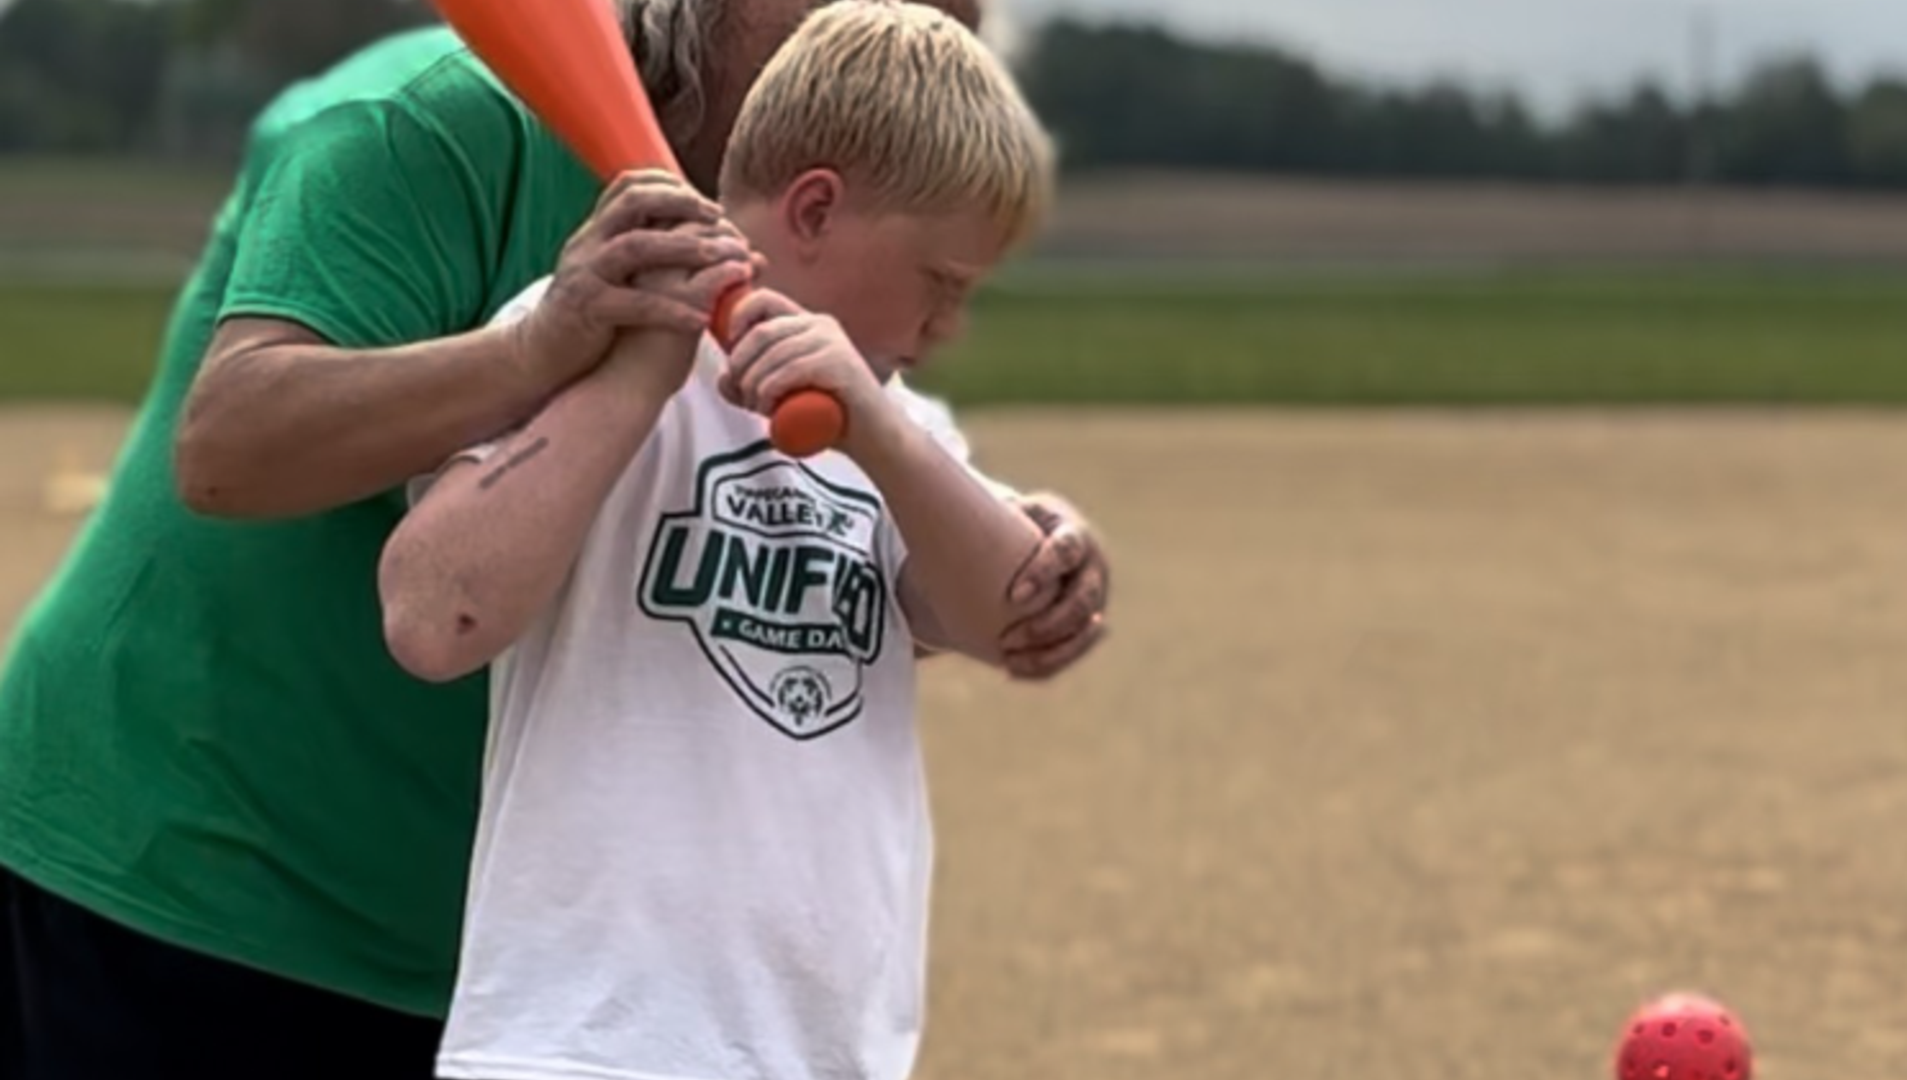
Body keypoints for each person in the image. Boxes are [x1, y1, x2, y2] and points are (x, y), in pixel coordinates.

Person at [0, 1, 1108, 1078]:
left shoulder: (832, 321)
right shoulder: (435, 123)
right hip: (200, 870)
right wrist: (544, 349)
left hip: (509, 947)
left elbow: (831, 588)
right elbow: (229, 447)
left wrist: (1003, 528)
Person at [380, 6, 1053, 1077]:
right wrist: (642, 366)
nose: (943, 328)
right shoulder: (576, 338)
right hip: (578, 1043)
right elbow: (432, 615)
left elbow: (1003, 616)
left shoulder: (898, 428)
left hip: (825, 1052)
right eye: (939, 284)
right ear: (818, 208)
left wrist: (879, 431)